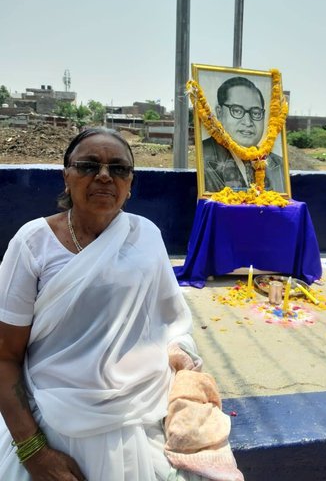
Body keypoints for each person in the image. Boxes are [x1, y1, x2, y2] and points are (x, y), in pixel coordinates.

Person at [0, 127, 242, 481]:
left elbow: (170, 322)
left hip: (141, 414)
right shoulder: (34, 243)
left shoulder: (146, 236)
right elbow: (5, 356)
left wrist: (181, 358)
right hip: (55, 417)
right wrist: (34, 453)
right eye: (88, 165)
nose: (103, 175)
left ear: (129, 184)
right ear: (66, 176)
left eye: (118, 168)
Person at [202, 76, 285, 192]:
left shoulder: (278, 163)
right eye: (237, 111)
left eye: (256, 113)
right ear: (219, 113)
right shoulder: (203, 155)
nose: (248, 122)